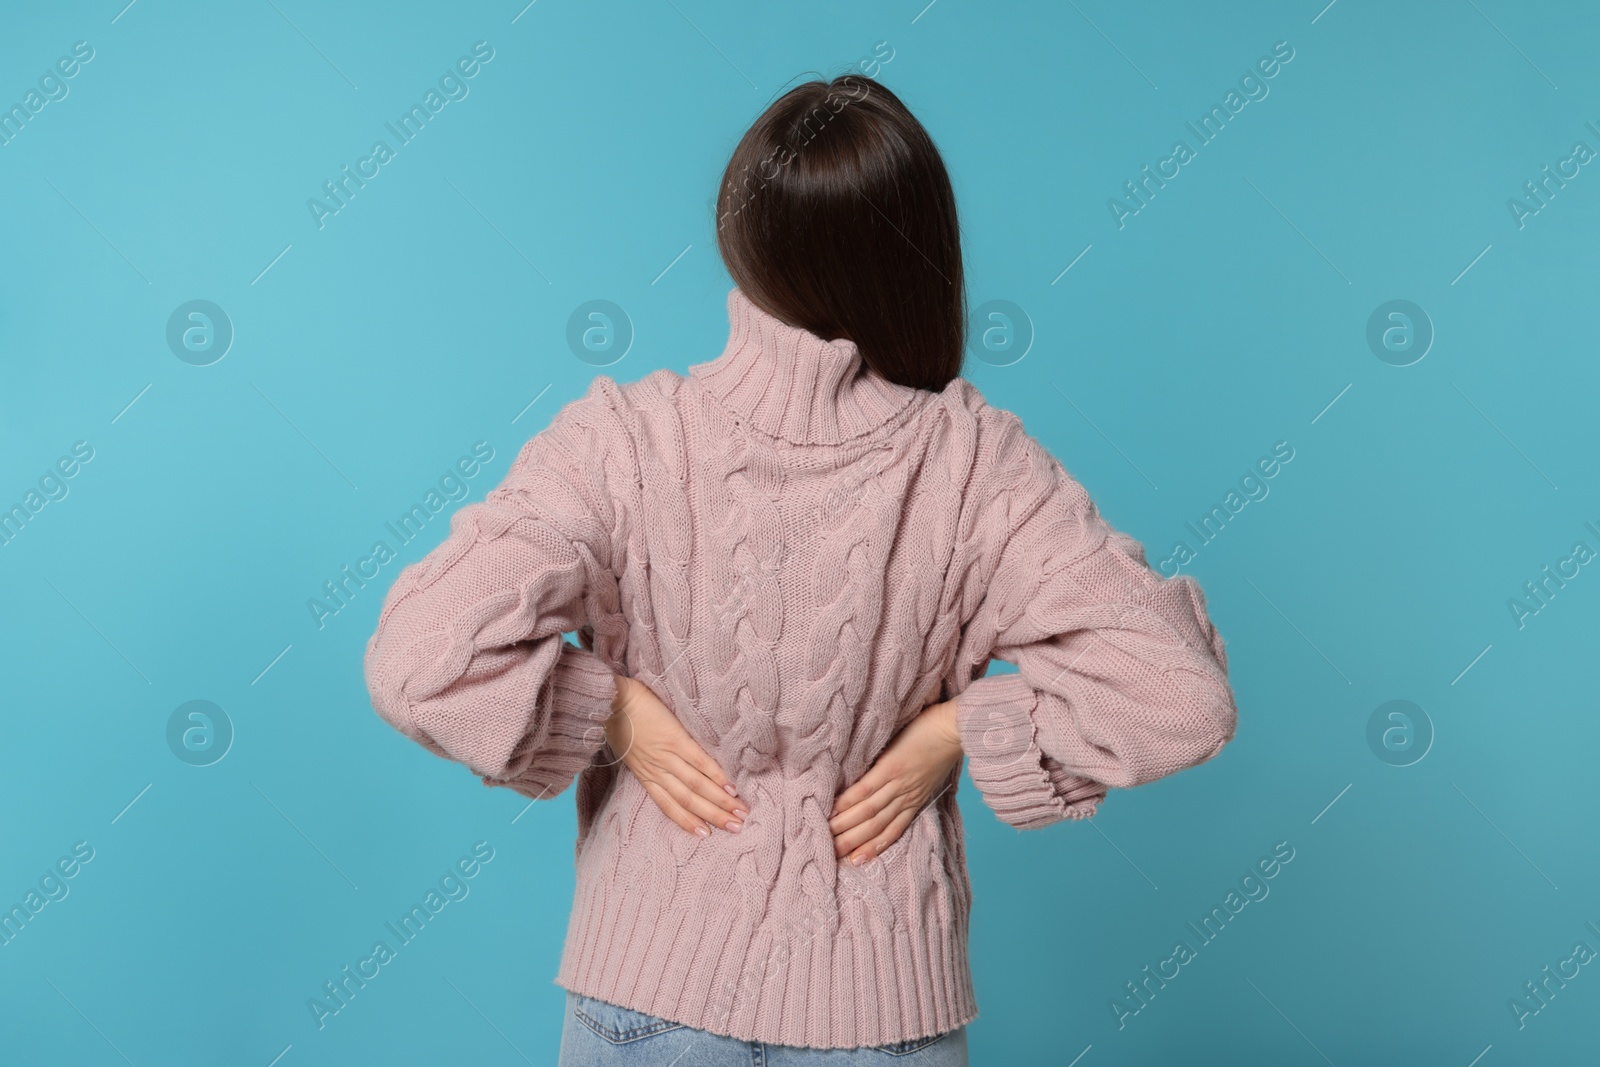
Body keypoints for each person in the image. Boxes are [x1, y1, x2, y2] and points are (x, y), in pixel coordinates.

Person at [362, 72, 1237, 1065]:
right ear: (919, 252)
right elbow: (1182, 699)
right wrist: (957, 729)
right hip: (880, 1015)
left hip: (646, 1002)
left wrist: (610, 711)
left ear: (744, 238)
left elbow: (415, 655)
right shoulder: (976, 466)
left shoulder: (621, 440)